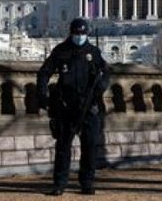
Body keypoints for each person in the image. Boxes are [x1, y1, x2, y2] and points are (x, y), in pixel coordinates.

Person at [37, 18, 110, 196]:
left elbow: (105, 72)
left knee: (89, 147)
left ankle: (87, 182)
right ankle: (60, 183)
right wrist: (42, 93)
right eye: (77, 33)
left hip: (88, 105)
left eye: (83, 33)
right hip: (66, 105)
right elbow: (44, 72)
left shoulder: (93, 51)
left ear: (87, 33)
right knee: (63, 147)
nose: (80, 36)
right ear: (71, 33)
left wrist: (100, 88)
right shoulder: (61, 51)